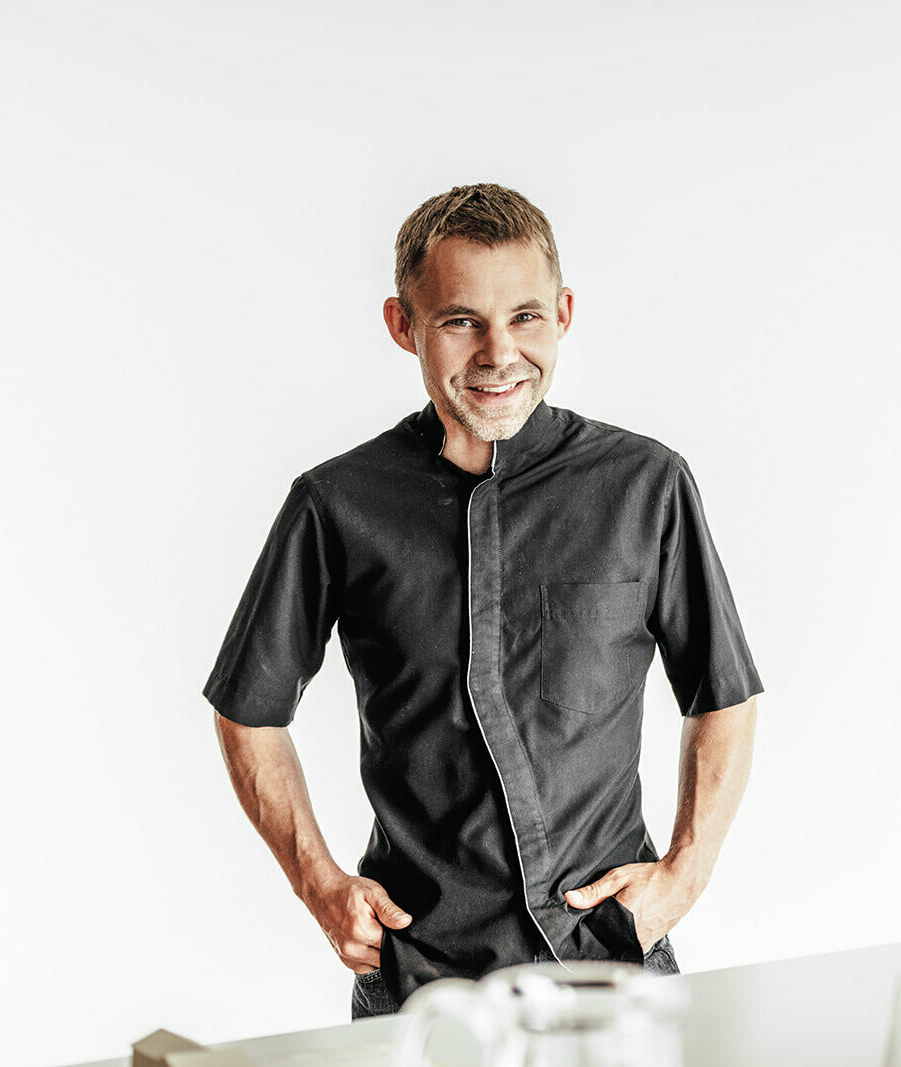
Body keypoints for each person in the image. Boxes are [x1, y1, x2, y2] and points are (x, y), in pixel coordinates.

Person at [204, 183, 763, 1020]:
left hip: (609, 965)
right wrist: (319, 883)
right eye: (461, 320)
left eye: (527, 317)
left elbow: (723, 691)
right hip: (421, 986)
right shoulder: (337, 504)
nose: (500, 353)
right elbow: (250, 706)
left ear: (565, 312)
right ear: (404, 326)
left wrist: (684, 873)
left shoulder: (644, 485)